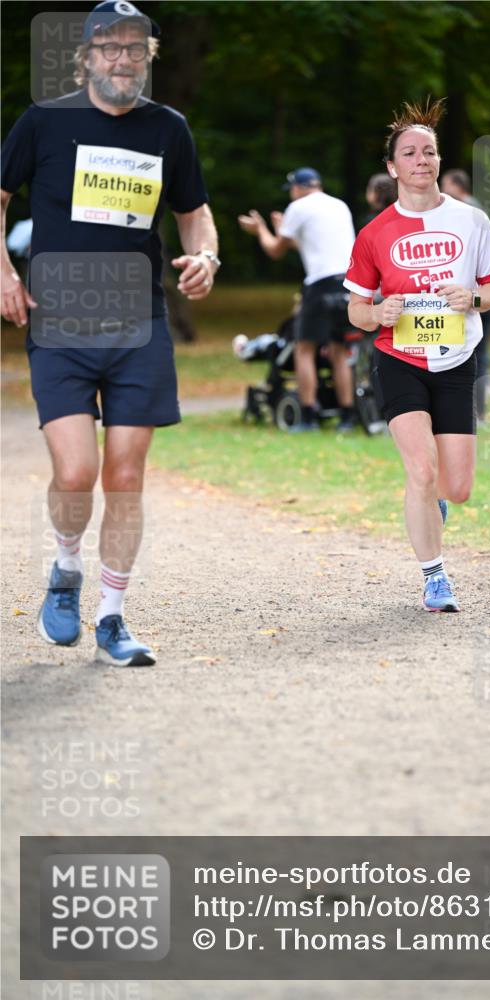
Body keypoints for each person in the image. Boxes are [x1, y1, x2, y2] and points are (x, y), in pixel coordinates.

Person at [1, 1, 219, 666]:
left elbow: (194, 213)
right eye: (109, 47)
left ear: (146, 57)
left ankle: (112, 617)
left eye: (134, 47)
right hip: (61, 317)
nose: (121, 58)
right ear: (87, 56)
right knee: (77, 469)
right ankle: (65, 570)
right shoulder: (45, 120)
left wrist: (205, 253)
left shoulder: (167, 129)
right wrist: (4, 271)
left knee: (125, 474)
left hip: (137, 323)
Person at [345, 99, 490, 612]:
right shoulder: (374, 234)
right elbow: (354, 310)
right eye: (410, 153)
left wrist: (474, 299)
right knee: (420, 469)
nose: (422, 160)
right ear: (393, 167)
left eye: (430, 152)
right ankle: (435, 577)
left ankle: (431, 506)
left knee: (455, 488)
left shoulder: (472, 221)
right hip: (400, 359)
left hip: (458, 360)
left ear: (438, 161)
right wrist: (378, 313)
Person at [238, 168, 357, 431]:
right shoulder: (339, 205)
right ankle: (348, 417)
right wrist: (284, 231)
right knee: (339, 351)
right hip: (350, 283)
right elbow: (311, 244)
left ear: (299, 187)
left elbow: (275, 250)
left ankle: (307, 416)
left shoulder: (299, 206)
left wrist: (260, 230)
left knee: (304, 349)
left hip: (320, 285)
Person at [440, 168, 490, 420]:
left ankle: (473, 410)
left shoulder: (467, 212)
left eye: (445, 184)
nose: (441, 190)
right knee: (475, 352)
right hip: (475, 292)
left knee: (473, 352)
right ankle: (475, 410)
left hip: (473, 294)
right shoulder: (472, 210)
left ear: (457, 186)